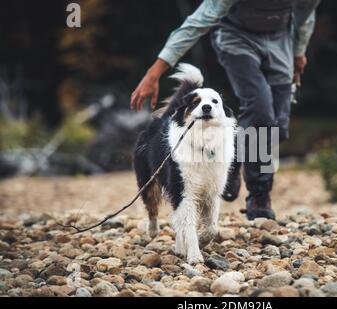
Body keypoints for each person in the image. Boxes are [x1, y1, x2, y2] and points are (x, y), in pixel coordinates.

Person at [131, 0, 320, 220]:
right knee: (260, 116)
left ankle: (233, 155)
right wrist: (154, 72)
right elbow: (197, 22)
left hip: (281, 42)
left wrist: (298, 52)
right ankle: (259, 196)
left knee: (276, 130)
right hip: (236, 38)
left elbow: (305, 17)